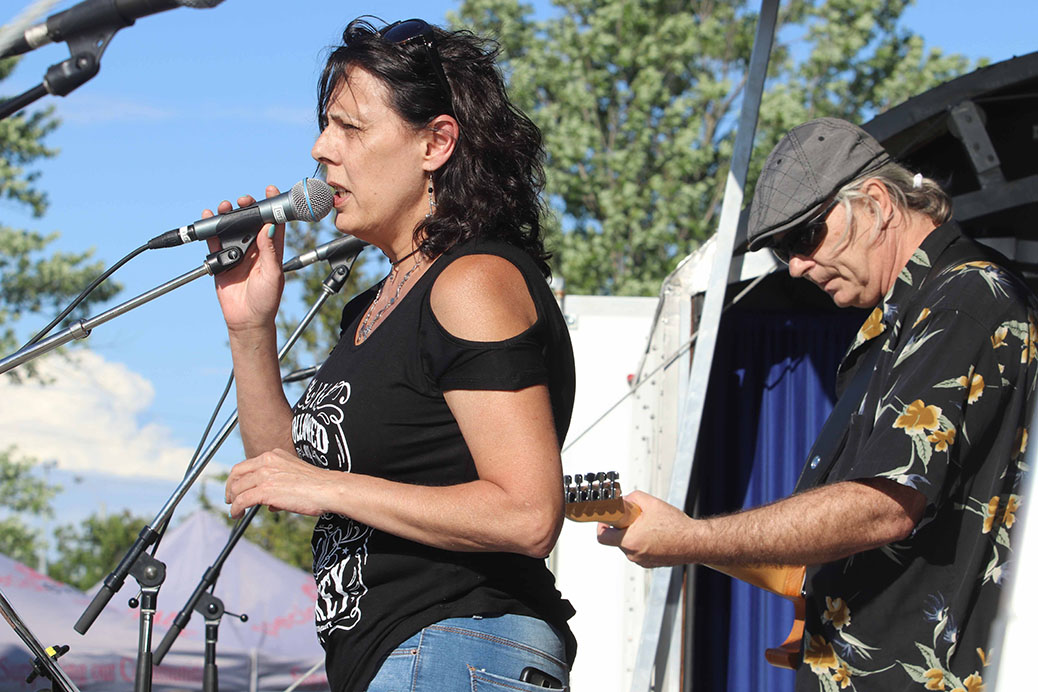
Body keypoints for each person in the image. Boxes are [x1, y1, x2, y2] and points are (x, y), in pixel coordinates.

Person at [598, 117, 1036, 690]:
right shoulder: (907, 314)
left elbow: (884, 505)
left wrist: (691, 539)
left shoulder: (962, 298)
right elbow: (831, 547)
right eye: (782, 253)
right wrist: (683, 536)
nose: (797, 266)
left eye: (802, 238)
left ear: (876, 202)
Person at [211, 18, 576, 692]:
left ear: (436, 142)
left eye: (351, 128)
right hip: (399, 655)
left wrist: (327, 487)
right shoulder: (374, 306)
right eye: (325, 125)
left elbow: (528, 514)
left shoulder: (472, 281)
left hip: (458, 641)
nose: (322, 149)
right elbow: (279, 474)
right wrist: (250, 327)